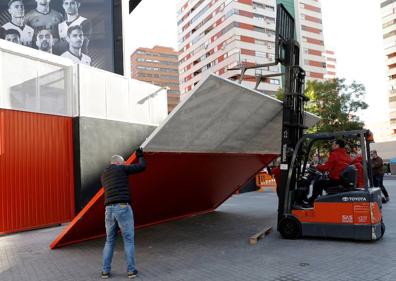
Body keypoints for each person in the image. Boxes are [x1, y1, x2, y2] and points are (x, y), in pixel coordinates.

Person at [101, 147, 146, 279]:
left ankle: (105, 271)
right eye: (124, 163)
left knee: (109, 241)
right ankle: (131, 271)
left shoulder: (104, 174)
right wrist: (140, 155)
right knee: (128, 240)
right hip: (122, 207)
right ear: (119, 163)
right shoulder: (121, 168)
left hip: (108, 210)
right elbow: (142, 167)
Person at [308, 139, 352, 205]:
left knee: (318, 183)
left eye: (333, 144)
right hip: (342, 181)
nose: (332, 146)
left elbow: (326, 167)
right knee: (322, 182)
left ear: (337, 145)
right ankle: (316, 200)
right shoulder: (347, 156)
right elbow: (335, 166)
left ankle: (312, 201)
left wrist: (317, 166)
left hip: (336, 181)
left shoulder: (335, 154)